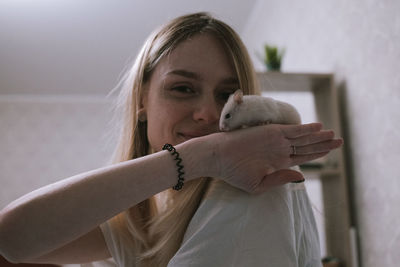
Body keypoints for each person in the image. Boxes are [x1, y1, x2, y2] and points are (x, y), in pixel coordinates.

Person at [0, 12, 342, 266]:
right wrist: (200, 157)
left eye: (227, 94)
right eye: (183, 88)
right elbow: (11, 239)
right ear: (142, 102)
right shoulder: (139, 224)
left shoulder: (257, 189)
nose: (208, 113)